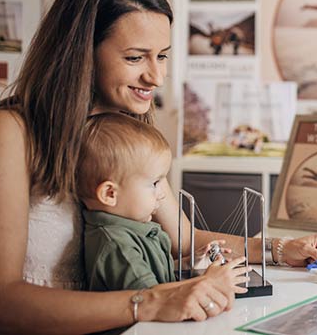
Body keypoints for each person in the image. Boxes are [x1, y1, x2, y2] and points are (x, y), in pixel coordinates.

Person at [0, 0, 317, 334]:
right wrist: (150, 302)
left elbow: (182, 240)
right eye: (135, 58)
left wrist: (279, 250)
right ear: (82, 53)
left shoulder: (127, 130)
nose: (156, 77)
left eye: (162, 56)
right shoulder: (11, 131)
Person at [77, 113, 245, 293]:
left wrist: (188, 262)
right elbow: (154, 298)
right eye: (154, 184)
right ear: (110, 194)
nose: (161, 195)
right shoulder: (117, 247)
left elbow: (151, 273)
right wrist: (208, 282)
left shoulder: (132, 230)